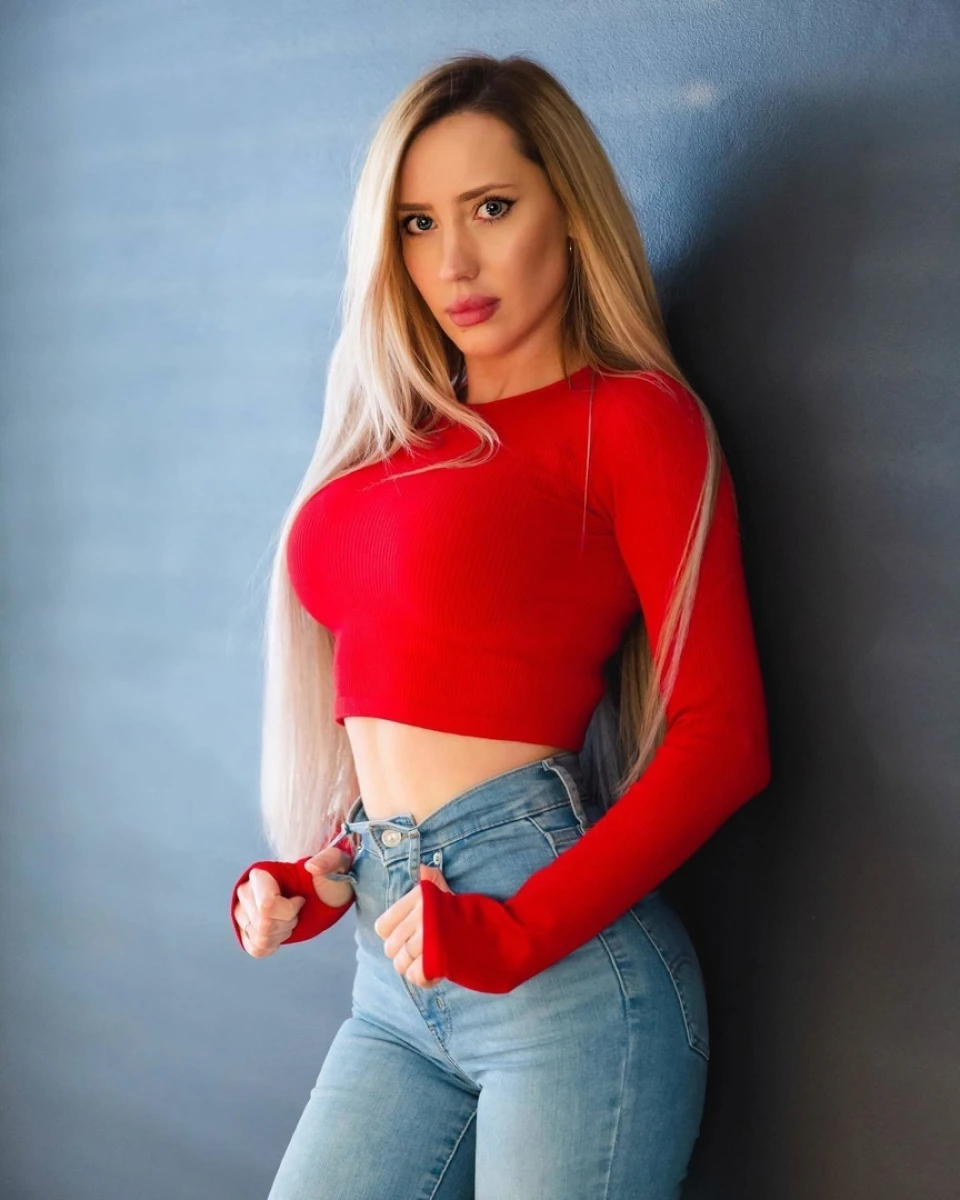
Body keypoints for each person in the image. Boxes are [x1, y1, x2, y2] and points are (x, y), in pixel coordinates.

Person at [229, 51, 771, 1199]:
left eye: (490, 208)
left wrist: (515, 933)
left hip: (565, 989)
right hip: (396, 974)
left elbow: (724, 738)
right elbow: (405, 688)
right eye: (418, 223)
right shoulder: (388, 443)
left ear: (567, 211)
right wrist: (328, 871)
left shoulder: (634, 421)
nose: (453, 264)